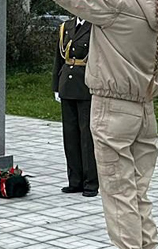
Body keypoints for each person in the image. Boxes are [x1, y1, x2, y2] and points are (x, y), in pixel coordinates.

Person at [46, 0, 158, 249]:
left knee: (119, 199)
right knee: (137, 196)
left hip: (112, 110)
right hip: (143, 111)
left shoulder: (119, 3)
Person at [53, 16, 98, 197]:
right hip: (67, 85)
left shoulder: (95, 26)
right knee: (70, 135)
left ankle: (90, 183)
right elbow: (59, 58)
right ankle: (75, 181)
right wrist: (56, 86)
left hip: (86, 85)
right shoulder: (66, 26)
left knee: (87, 136)